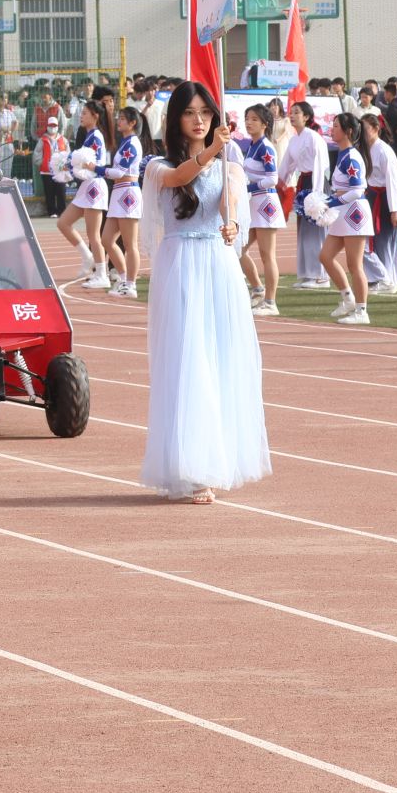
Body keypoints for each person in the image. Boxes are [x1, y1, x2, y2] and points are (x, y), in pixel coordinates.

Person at [138, 81, 267, 504]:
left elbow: (232, 206)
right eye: (190, 113)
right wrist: (213, 149)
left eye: (206, 113)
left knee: (220, 359)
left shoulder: (230, 165)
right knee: (187, 360)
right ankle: (193, 469)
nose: (199, 120)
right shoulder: (157, 166)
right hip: (180, 265)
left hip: (219, 266)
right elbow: (181, 177)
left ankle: (215, 461)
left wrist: (233, 224)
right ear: (176, 118)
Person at [319, 113, 375, 325]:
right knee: (325, 256)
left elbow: (358, 190)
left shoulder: (352, 156)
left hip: (354, 213)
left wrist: (332, 202)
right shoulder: (343, 154)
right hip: (342, 211)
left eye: (336, 126)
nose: (331, 129)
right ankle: (348, 298)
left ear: (348, 131)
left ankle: (362, 311)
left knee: (354, 264)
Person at [55, 101, 111, 290]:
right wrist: (67, 165)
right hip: (86, 186)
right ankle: (88, 257)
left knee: (93, 234)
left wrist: (69, 166)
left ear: (95, 116)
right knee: (63, 223)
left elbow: (91, 164)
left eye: (85, 113)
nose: (82, 116)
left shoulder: (95, 136)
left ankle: (102, 274)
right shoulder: (89, 136)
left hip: (94, 186)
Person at [236, 104, 282, 317]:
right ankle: (257, 289)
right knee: (238, 249)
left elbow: (273, 179)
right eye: (247, 118)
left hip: (265, 204)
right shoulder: (252, 146)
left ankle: (271, 302)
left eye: (254, 119)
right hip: (252, 204)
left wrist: (248, 187)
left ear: (265, 124)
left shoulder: (265, 147)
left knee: (267, 254)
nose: (249, 122)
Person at [279, 99, 330, 290]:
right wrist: (279, 186)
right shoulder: (294, 139)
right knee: (304, 231)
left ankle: (321, 276)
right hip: (303, 184)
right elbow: (287, 165)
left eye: (297, 113)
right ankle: (308, 273)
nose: (292, 116)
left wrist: (316, 195)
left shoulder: (314, 138)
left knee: (316, 230)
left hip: (316, 184)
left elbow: (320, 167)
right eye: (291, 112)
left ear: (306, 117)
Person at [102, 106, 149, 299]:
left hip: (128, 193)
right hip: (118, 192)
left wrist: (97, 169)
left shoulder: (132, 144)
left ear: (132, 123)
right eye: (119, 118)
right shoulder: (125, 143)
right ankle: (123, 278)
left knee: (130, 244)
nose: (118, 121)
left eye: (122, 119)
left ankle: (131, 285)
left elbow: (120, 172)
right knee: (106, 239)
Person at [359, 111, 397, 294]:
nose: (362, 133)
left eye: (365, 129)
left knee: (385, 240)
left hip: (386, 198)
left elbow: (393, 180)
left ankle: (389, 279)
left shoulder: (384, 150)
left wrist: (394, 210)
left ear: (376, 129)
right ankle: (379, 278)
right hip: (372, 196)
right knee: (373, 240)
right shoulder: (365, 149)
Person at [37, 115, 69, 216]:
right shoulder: (42, 139)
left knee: (61, 191)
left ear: (58, 127)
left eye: (54, 125)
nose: (52, 127)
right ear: (47, 126)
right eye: (50, 125)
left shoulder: (63, 139)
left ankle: (62, 211)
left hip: (60, 170)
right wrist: (42, 163)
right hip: (46, 171)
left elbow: (68, 153)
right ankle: (52, 211)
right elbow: (37, 153)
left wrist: (66, 164)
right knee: (49, 192)